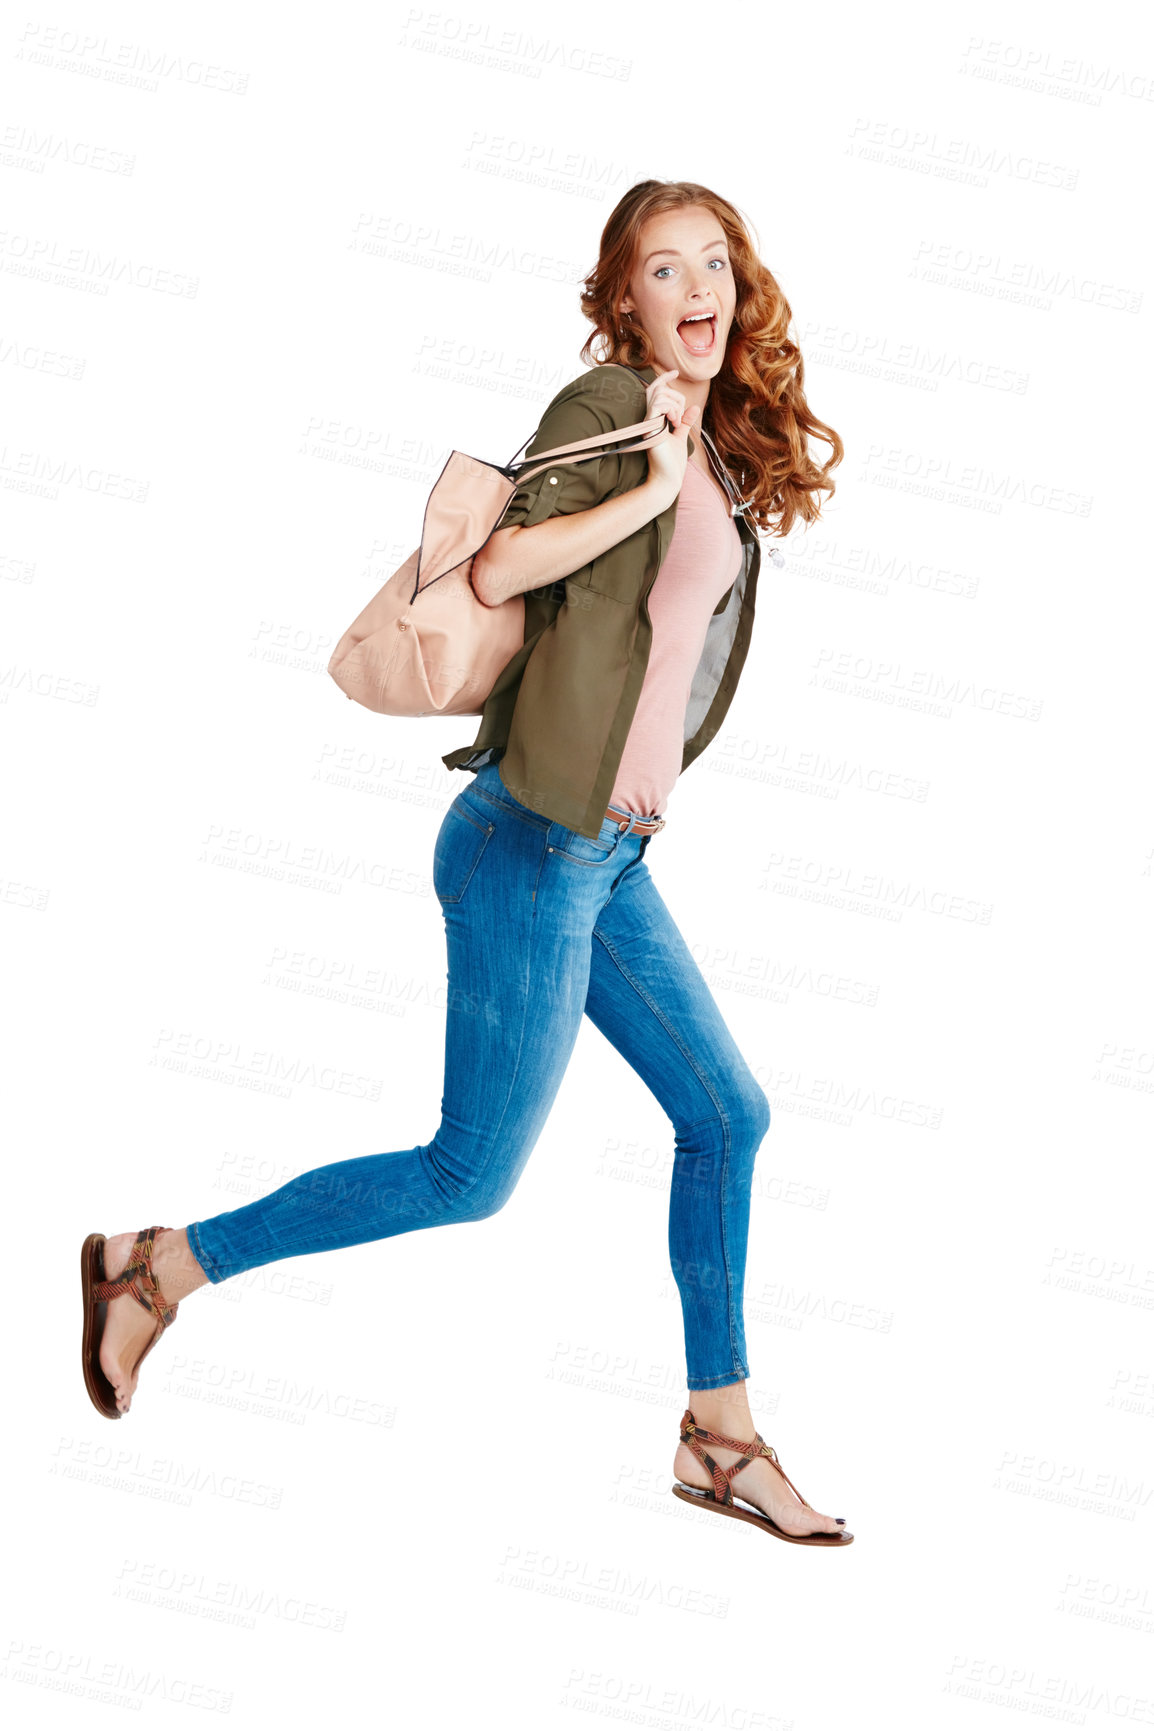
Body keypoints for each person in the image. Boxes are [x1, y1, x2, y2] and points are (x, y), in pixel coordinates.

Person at [81, 180, 852, 1548]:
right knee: (468, 1175)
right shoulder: (609, 414)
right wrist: (655, 485)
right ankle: (160, 1266)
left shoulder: (703, 435)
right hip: (526, 848)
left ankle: (717, 1442)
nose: (696, 290)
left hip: (604, 858)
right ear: (620, 296)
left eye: (714, 264)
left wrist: (689, 477)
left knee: (726, 1117)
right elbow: (496, 572)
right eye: (662, 268)